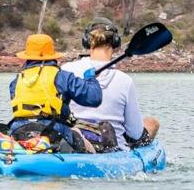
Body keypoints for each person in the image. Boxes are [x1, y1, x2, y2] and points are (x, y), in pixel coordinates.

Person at [66, 20, 160, 151]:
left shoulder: (66, 70)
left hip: (73, 141)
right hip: (110, 147)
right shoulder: (125, 81)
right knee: (152, 123)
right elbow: (135, 133)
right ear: (115, 42)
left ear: (86, 41)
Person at [6, 32, 104, 150]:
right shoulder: (62, 77)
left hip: (18, 132)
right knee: (78, 135)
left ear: (27, 57)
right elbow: (94, 98)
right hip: (54, 132)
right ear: (52, 56)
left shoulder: (16, 81)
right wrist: (91, 79)